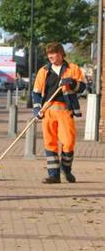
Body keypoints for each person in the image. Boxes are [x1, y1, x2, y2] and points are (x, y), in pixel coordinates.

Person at [32, 42, 86, 184]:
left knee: (68, 142)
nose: (50, 56)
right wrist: (37, 109)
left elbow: (83, 88)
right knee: (50, 143)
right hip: (48, 111)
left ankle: (66, 169)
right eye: (48, 54)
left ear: (61, 53)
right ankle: (53, 175)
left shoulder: (72, 69)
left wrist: (72, 83)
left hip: (65, 111)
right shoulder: (43, 71)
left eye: (53, 53)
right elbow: (36, 93)